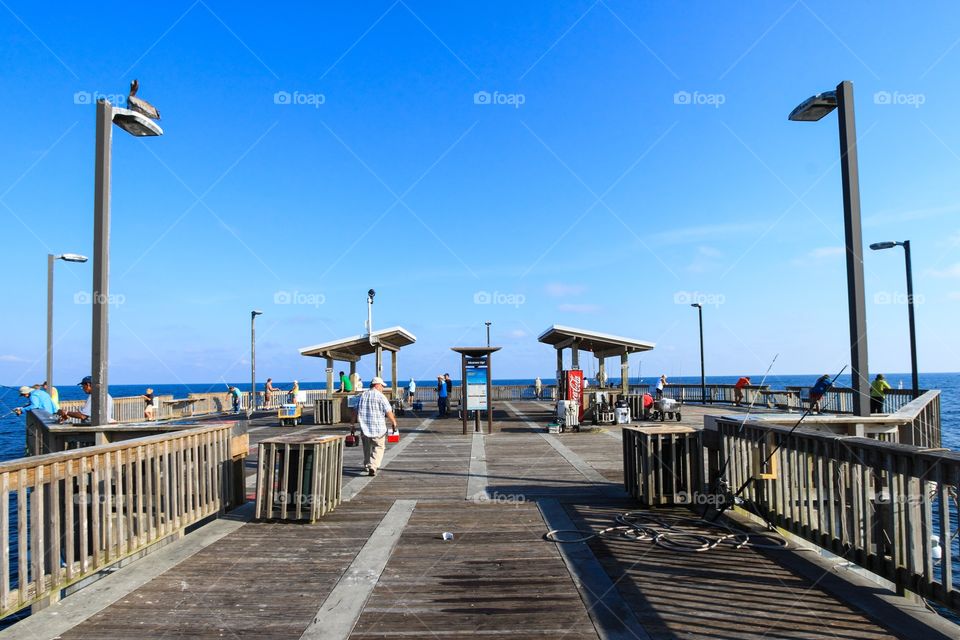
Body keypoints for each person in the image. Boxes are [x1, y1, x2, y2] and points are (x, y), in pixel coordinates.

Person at [351, 376, 397, 476]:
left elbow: (355, 411)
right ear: (377, 385)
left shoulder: (362, 396)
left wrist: (352, 424)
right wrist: (393, 422)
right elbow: (388, 411)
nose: (382, 388)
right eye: (382, 386)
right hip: (378, 428)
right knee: (379, 447)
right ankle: (373, 465)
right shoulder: (381, 397)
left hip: (365, 428)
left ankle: (367, 465)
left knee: (366, 448)